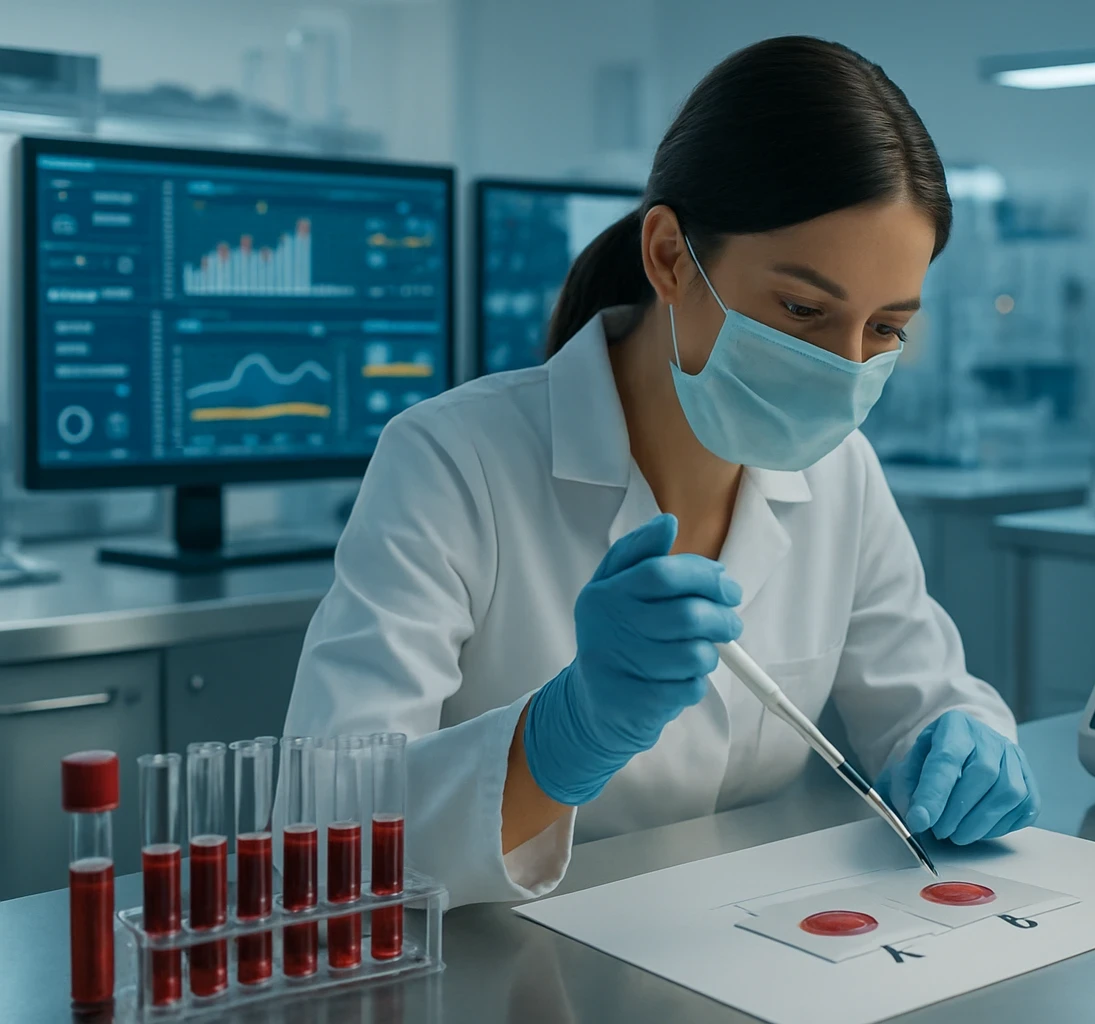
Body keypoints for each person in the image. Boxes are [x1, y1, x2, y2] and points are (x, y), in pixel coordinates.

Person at [284, 35, 1039, 908]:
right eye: (802, 309)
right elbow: (321, 832)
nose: (843, 366)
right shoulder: (454, 460)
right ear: (671, 257)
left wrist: (963, 741)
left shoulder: (843, 473)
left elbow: (923, 701)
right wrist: (562, 736)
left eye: (885, 329)